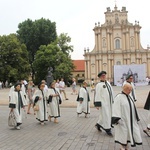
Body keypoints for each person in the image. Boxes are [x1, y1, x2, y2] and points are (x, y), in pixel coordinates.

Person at [112, 83, 142, 150]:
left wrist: (136, 118)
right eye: (129, 90)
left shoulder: (129, 96)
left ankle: (126, 145)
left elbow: (133, 108)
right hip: (122, 119)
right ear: (125, 89)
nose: (130, 91)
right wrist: (117, 119)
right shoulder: (119, 97)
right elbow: (115, 108)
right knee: (123, 132)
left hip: (130, 119)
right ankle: (122, 146)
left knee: (128, 132)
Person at [94, 71, 114, 136]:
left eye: (104, 75)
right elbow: (97, 95)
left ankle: (98, 125)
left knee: (105, 116)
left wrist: (113, 100)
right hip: (103, 103)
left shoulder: (108, 83)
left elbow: (111, 92)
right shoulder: (99, 85)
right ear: (100, 77)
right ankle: (108, 129)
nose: (104, 76)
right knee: (106, 115)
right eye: (102, 76)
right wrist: (97, 104)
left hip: (109, 103)